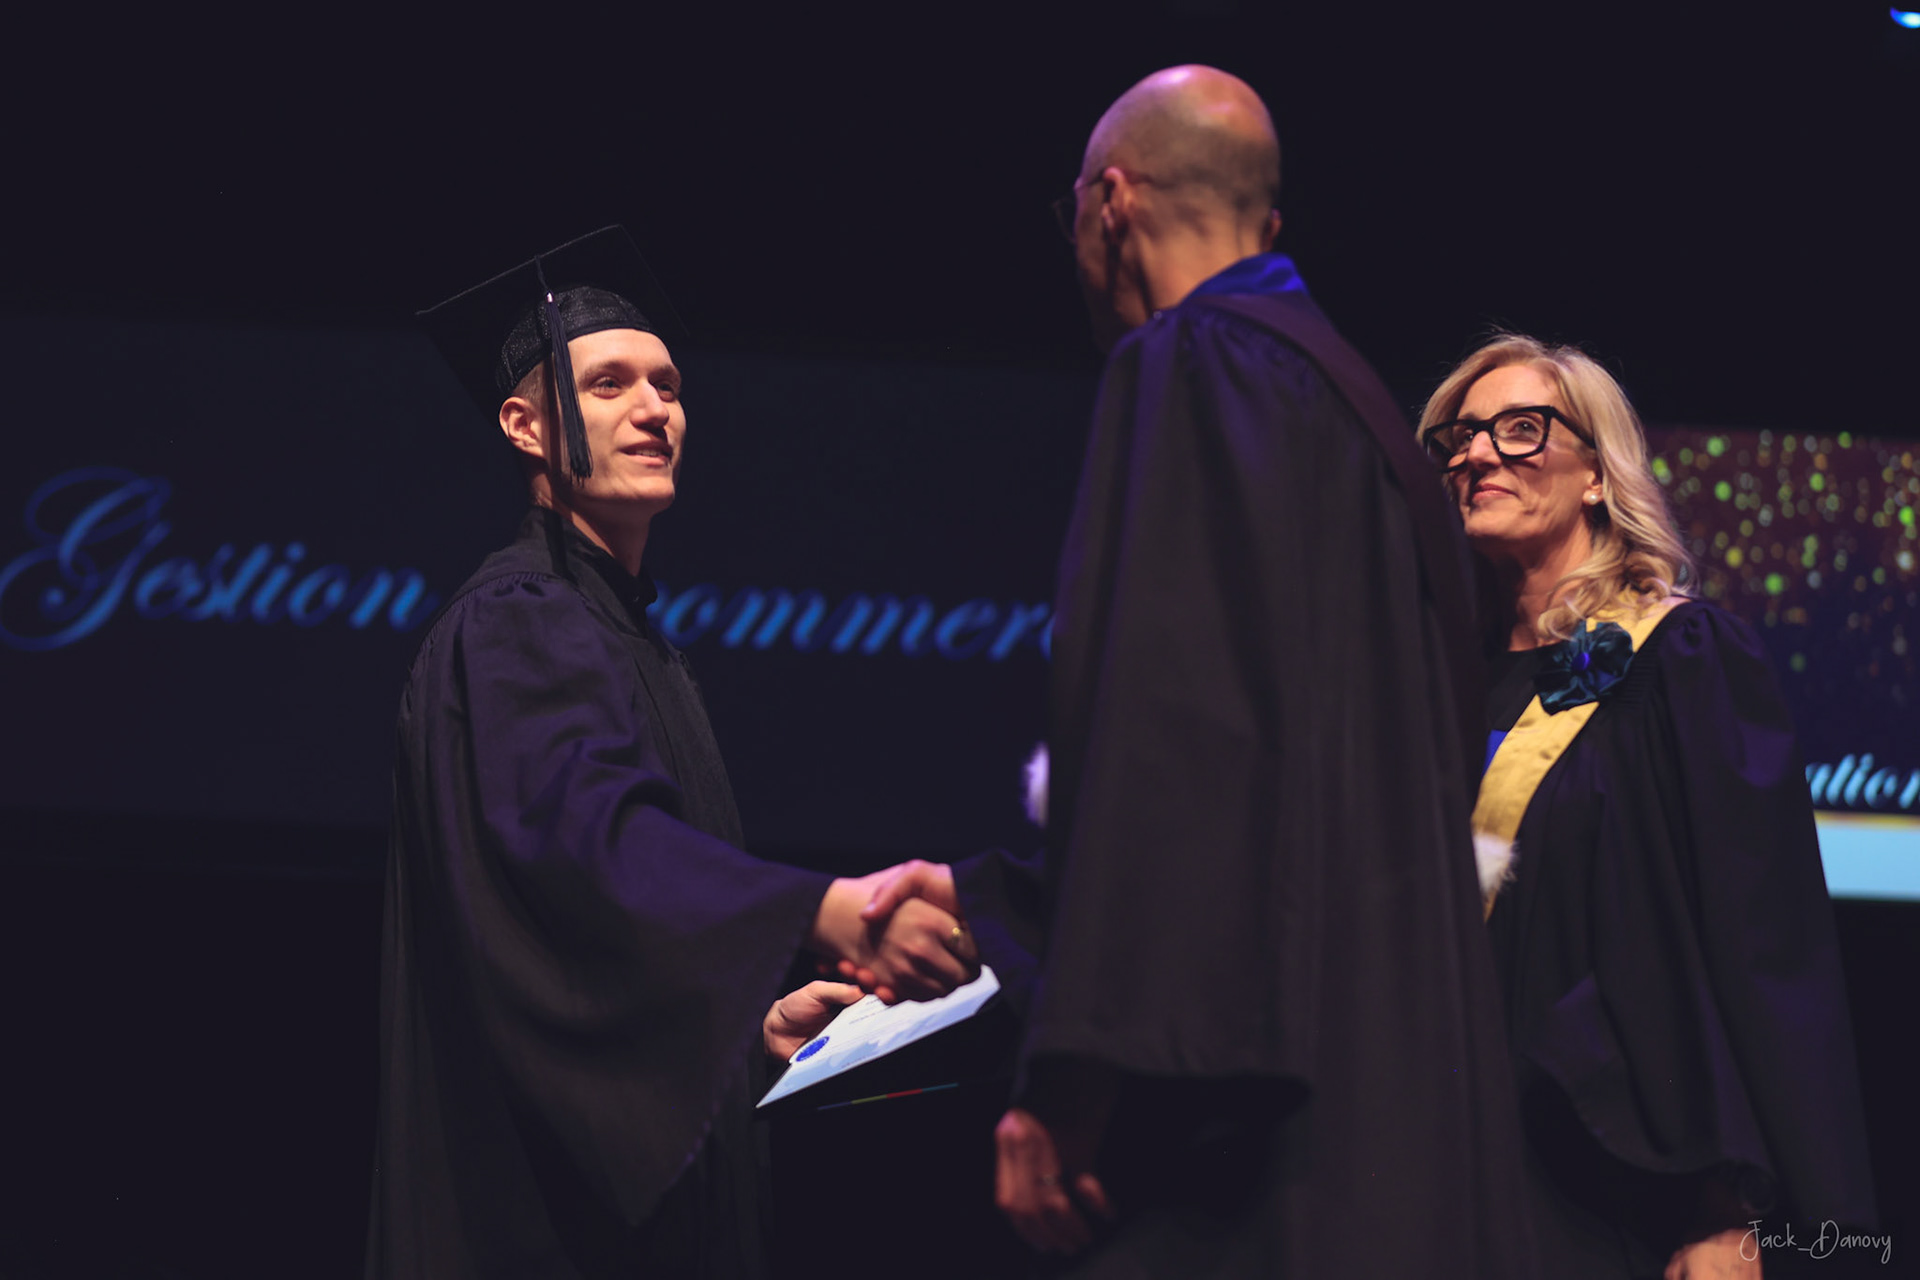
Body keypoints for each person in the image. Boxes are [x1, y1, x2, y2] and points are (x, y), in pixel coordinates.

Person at [865, 65, 1538, 1276]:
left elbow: (1177, 737)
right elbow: (1308, 797)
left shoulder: (1191, 363)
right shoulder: (1377, 429)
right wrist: (986, 899)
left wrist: (1074, 1068)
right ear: (1267, 224)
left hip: (1242, 1131)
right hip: (1404, 1106)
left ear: (1110, 204)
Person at [364, 227, 975, 1280]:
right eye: (609, 384)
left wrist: (748, 1032)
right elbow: (590, 851)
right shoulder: (519, 623)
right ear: (524, 425)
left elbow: (596, 949)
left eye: (669, 386)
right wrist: (823, 908)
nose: (655, 409)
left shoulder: (629, 637)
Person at [1417, 333, 1878, 1277]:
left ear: (1596, 473)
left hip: (1604, 1184)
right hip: (1439, 1167)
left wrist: (1733, 1205)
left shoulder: (1673, 660)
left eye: (1520, 427)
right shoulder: (1436, 684)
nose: (1478, 454)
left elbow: (1756, 947)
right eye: (1460, 437)